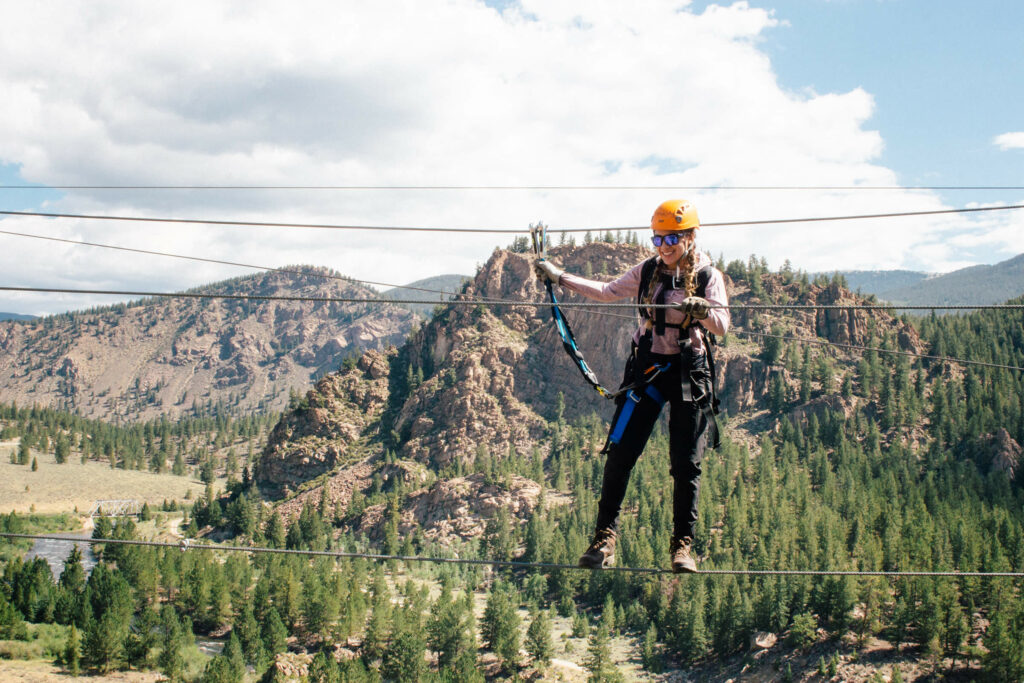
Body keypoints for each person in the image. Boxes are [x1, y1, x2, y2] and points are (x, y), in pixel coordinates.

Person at [534, 199, 729, 573]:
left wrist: (703, 310)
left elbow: (722, 324)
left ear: (689, 237)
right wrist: (559, 277)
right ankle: (603, 539)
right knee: (621, 453)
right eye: (658, 239)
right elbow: (607, 291)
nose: (665, 246)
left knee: (686, 463)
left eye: (672, 238)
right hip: (650, 369)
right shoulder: (648, 271)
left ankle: (682, 546)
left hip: (690, 373)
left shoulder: (708, 277)